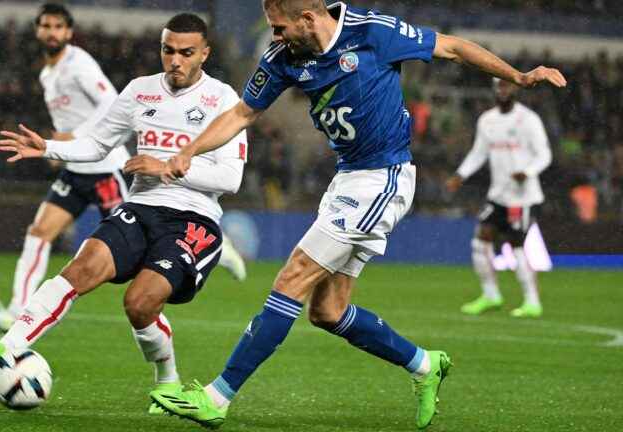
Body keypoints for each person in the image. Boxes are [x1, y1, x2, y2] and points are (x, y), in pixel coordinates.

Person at [148, 0, 566, 430]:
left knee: (293, 277)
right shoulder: (282, 58)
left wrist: (517, 76)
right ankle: (425, 364)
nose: (273, 37)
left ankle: (217, 398)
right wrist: (189, 149)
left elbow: (454, 49)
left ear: (307, 19)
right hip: (347, 179)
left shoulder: (371, 33)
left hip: (384, 177)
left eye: (278, 27)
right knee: (327, 311)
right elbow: (241, 114)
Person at [0, 12, 249, 414]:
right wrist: (47, 147)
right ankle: (7, 347)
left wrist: (166, 166)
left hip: (192, 219)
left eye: (186, 53)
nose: (175, 61)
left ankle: (166, 380)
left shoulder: (224, 99)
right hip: (139, 208)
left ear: (205, 53)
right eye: (168, 51)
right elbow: (98, 145)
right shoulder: (140, 91)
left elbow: (230, 178)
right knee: (80, 270)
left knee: (139, 303)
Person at [0, 3, 132, 331]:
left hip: (105, 167)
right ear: (37, 30)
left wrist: (74, 137)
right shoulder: (48, 73)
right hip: (75, 171)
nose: (52, 32)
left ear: (69, 32)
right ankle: (18, 309)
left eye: (58, 27)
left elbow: (113, 103)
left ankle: (213, 246)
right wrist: (62, 149)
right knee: (39, 232)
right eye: (46, 26)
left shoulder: (78, 63)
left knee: (134, 246)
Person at [446, 78, 552, 318]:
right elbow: (478, 152)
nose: (503, 90)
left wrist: (528, 172)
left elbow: (544, 154)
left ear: (515, 89)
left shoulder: (528, 120)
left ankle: (532, 301)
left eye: (507, 86)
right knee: (480, 240)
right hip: (498, 195)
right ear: (495, 90)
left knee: (516, 247)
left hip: (523, 198)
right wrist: (460, 175)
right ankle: (491, 294)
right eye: (499, 86)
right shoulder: (487, 120)